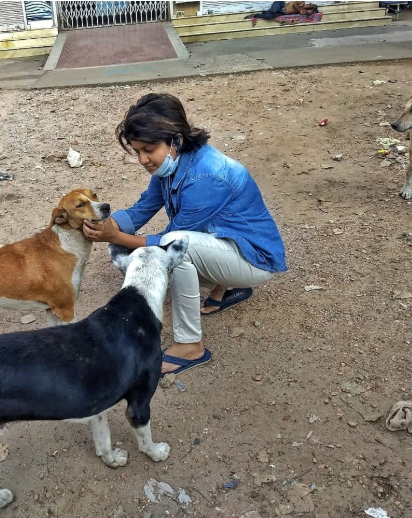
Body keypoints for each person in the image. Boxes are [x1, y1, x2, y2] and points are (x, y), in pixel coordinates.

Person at [83, 93, 287, 377]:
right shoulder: (172, 163)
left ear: (176, 140)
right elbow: (143, 207)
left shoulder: (208, 176)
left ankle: (191, 345)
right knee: (143, 247)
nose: (143, 159)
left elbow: (171, 240)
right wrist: (107, 225)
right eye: (138, 151)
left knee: (175, 248)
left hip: (255, 259)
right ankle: (222, 288)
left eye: (149, 149)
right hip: (229, 245)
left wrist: (115, 238)